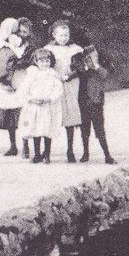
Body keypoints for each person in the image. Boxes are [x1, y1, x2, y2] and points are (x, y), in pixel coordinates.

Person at [42, 19, 84, 164]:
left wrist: (69, 76)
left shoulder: (75, 48)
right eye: (60, 35)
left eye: (66, 35)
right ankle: (46, 152)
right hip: (54, 82)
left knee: (70, 115)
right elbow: (44, 66)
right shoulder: (48, 49)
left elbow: (80, 67)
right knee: (51, 116)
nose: (64, 38)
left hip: (70, 83)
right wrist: (55, 76)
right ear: (54, 35)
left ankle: (70, 151)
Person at [0, 18, 30, 156]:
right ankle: (13, 145)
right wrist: (2, 81)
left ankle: (25, 145)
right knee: (10, 115)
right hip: (5, 79)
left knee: (23, 113)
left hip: (21, 78)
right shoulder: (0, 44)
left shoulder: (26, 45)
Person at [18, 44, 64, 162]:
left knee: (47, 130)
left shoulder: (53, 75)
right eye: (42, 61)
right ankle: (37, 154)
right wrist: (31, 98)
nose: (45, 64)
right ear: (36, 62)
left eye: (47, 61)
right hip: (34, 106)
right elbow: (24, 89)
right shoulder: (32, 74)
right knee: (36, 129)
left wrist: (50, 99)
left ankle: (47, 154)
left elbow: (58, 90)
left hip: (47, 106)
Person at [76, 42, 116, 164]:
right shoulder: (83, 69)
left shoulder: (99, 69)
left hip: (96, 102)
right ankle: (86, 153)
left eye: (94, 57)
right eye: (89, 58)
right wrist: (86, 66)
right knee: (84, 129)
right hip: (83, 102)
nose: (92, 60)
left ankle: (107, 155)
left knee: (100, 129)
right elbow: (75, 73)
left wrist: (96, 65)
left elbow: (105, 75)